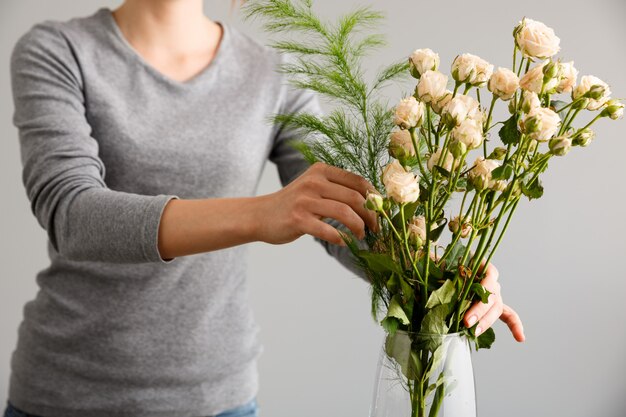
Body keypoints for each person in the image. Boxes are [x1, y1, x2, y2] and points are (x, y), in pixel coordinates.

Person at [5, 0, 525, 416]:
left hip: (219, 397)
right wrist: (262, 214)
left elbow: (336, 212)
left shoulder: (273, 72)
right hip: (69, 392)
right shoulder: (58, 50)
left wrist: (444, 278)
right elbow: (72, 212)